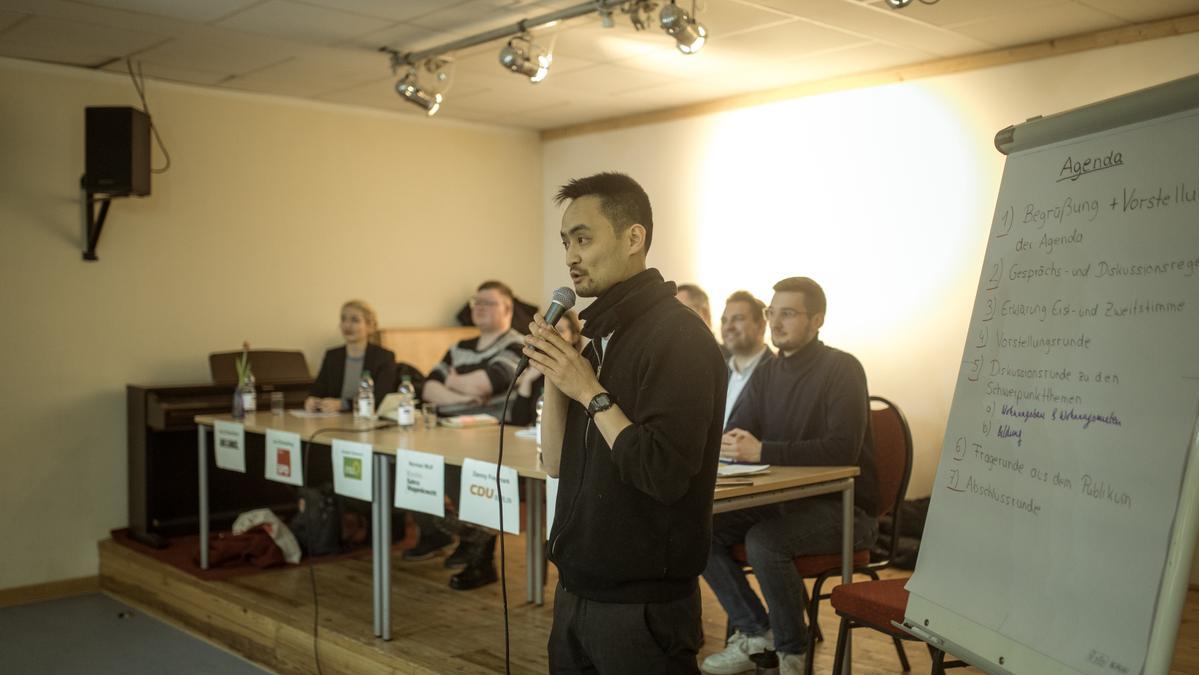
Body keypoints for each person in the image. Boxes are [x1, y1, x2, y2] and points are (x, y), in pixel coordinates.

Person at [525, 172, 726, 673]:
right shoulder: (601, 337)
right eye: (566, 241)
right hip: (577, 589)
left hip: (642, 605)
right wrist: (556, 369)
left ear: (634, 238)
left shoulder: (679, 338)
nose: (571, 256)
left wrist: (588, 389)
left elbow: (662, 472)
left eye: (584, 238)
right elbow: (554, 462)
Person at [701, 277, 879, 675]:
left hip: (847, 509)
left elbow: (841, 451)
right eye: (771, 312)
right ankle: (756, 630)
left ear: (817, 319)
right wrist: (735, 444)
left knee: (764, 542)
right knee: (699, 528)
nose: (775, 322)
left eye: (787, 313)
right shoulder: (768, 373)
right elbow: (737, 432)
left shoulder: (843, 368)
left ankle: (792, 656)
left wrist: (763, 450)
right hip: (783, 502)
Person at [402, 280, 525, 591]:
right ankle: (445, 534)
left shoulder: (517, 344)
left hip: (491, 435)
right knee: (404, 465)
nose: (479, 307)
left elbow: (487, 385)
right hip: (444, 430)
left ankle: (479, 555)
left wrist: (454, 381)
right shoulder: (459, 347)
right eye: (476, 302)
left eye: (488, 302)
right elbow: (428, 387)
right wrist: (464, 391)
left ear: (507, 309)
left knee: (463, 470)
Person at [305, 299, 396, 413]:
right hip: (332, 421)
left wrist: (343, 404)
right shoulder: (332, 356)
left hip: (366, 419)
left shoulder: (384, 357)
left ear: (370, 327)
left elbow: (380, 398)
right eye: (343, 319)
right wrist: (312, 400)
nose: (347, 325)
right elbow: (318, 389)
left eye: (355, 320)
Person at [508, 309, 582, 427]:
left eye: (560, 331)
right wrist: (527, 380)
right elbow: (518, 420)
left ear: (574, 337)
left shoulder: (581, 372)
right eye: (549, 331)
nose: (552, 337)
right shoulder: (538, 371)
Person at [720, 290, 773, 428]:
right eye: (724, 320)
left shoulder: (778, 373)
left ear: (761, 325)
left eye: (738, 318)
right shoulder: (718, 370)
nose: (728, 327)